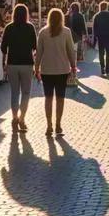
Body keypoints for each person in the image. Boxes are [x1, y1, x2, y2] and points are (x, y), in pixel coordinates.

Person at [36, 8, 77, 137]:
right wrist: (73, 66)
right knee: (60, 98)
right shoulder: (66, 32)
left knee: (48, 98)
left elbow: (39, 53)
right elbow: (71, 51)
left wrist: (36, 68)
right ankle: (58, 124)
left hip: (47, 70)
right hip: (62, 70)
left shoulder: (43, 32)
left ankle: (49, 126)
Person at [1, 3, 38, 132]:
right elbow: (35, 46)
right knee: (26, 93)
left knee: (14, 93)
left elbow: (3, 47)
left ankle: (14, 117)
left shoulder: (9, 28)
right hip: (27, 63)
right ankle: (22, 119)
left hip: (12, 63)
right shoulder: (30, 27)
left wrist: (4, 63)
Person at [92, 1, 109, 77]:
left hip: (100, 36)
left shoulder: (97, 15)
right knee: (108, 53)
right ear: (106, 7)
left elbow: (94, 28)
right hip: (108, 36)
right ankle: (107, 69)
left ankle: (102, 68)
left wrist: (95, 38)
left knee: (101, 53)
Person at [67, 1, 87, 83]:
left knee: (69, 52)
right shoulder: (80, 16)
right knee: (74, 52)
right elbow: (83, 25)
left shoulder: (68, 16)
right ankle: (74, 67)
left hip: (68, 36)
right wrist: (85, 34)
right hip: (77, 36)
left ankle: (70, 68)